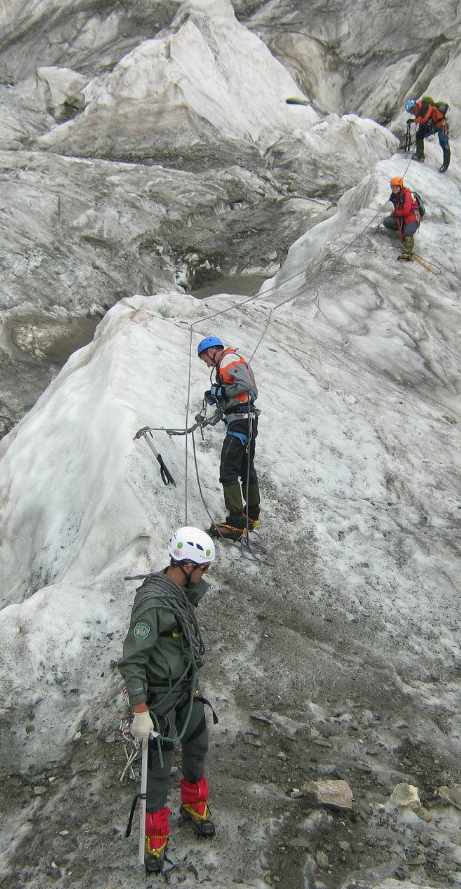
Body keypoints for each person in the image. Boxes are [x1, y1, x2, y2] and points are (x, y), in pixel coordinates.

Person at [119, 527, 218, 874]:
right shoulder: (153, 604)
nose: (204, 576)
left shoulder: (177, 592)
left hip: (185, 690)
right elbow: (132, 660)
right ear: (188, 565)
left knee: (197, 743)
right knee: (158, 770)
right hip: (159, 698)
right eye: (202, 569)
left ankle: (194, 805)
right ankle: (155, 837)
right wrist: (140, 710)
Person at [196, 336, 260, 538]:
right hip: (246, 420)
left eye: (204, 358)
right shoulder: (228, 361)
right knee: (245, 468)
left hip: (240, 422)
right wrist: (217, 395)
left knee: (228, 469)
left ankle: (235, 523)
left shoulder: (227, 360)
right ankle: (251, 516)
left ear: (211, 351)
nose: (206, 363)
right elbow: (239, 389)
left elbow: (246, 384)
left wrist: (221, 390)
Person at [405, 97, 450, 172]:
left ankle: (445, 165)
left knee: (444, 143)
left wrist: (413, 120)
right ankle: (420, 155)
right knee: (419, 135)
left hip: (442, 124)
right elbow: (422, 122)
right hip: (434, 125)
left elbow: (424, 119)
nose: (412, 112)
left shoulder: (425, 106)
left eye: (412, 110)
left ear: (414, 105)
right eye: (411, 112)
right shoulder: (419, 110)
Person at [382, 176, 421, 261]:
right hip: (402, 218)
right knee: (387, 222)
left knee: (408, 233)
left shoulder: (407, 195)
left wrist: (392, 213)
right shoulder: (395, 196)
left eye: (396, 186)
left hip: (412, 218)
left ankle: (407, 252)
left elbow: (406, 211)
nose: (394, 188)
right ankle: (403, 230)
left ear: (400, 186)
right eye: (392, 187)